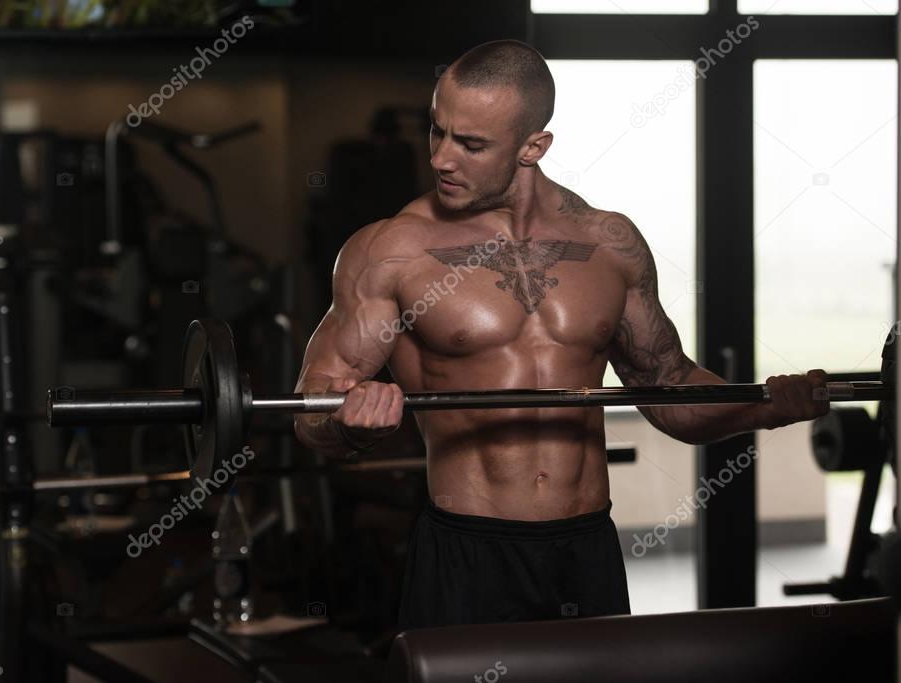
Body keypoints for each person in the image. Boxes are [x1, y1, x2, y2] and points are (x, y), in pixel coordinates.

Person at [293, 40, 829, 630]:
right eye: (437, 131)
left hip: (587, 549)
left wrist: (767, 407)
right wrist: (348, 423)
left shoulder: (610, 243)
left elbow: (669, 387)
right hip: (469, 551)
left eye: (471, 144)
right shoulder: (389, 251)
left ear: (534, 147)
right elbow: (312, 408)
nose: (442, 158)